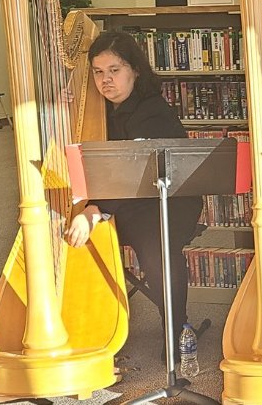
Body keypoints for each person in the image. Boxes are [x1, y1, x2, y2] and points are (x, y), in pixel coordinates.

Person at [64, 31, 206, 358]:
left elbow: (135, 175)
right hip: (120, 201)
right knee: (64, 231)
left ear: (135, 70)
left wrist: (95, 210)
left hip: (166, 201)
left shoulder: (151, 111)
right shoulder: (97, 110)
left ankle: (175, 325)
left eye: (114, 70)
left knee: (155, 245)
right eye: (98, 72)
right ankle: (88, 325)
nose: (105, 80)